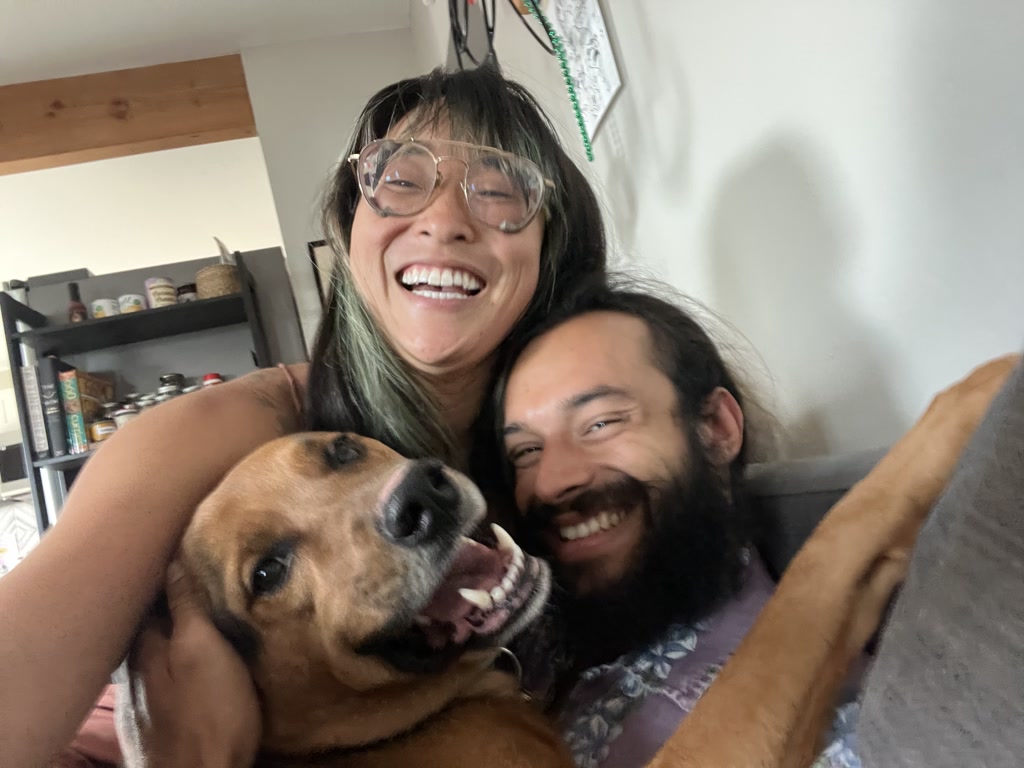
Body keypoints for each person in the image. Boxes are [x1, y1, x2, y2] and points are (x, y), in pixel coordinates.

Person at [0, 63, 608, 768]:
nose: (442, 221)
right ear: (352, 231)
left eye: (498, 186)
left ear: (550, 243)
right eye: (401, 181)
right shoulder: (217, 433)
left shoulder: (582, 415)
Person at [488, 280, 1019, 768]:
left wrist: (856, 534)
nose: (553, 480)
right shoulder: (515, 643)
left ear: (717, 427)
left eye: (602, 422)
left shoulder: (840, 716)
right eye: (527, 451)